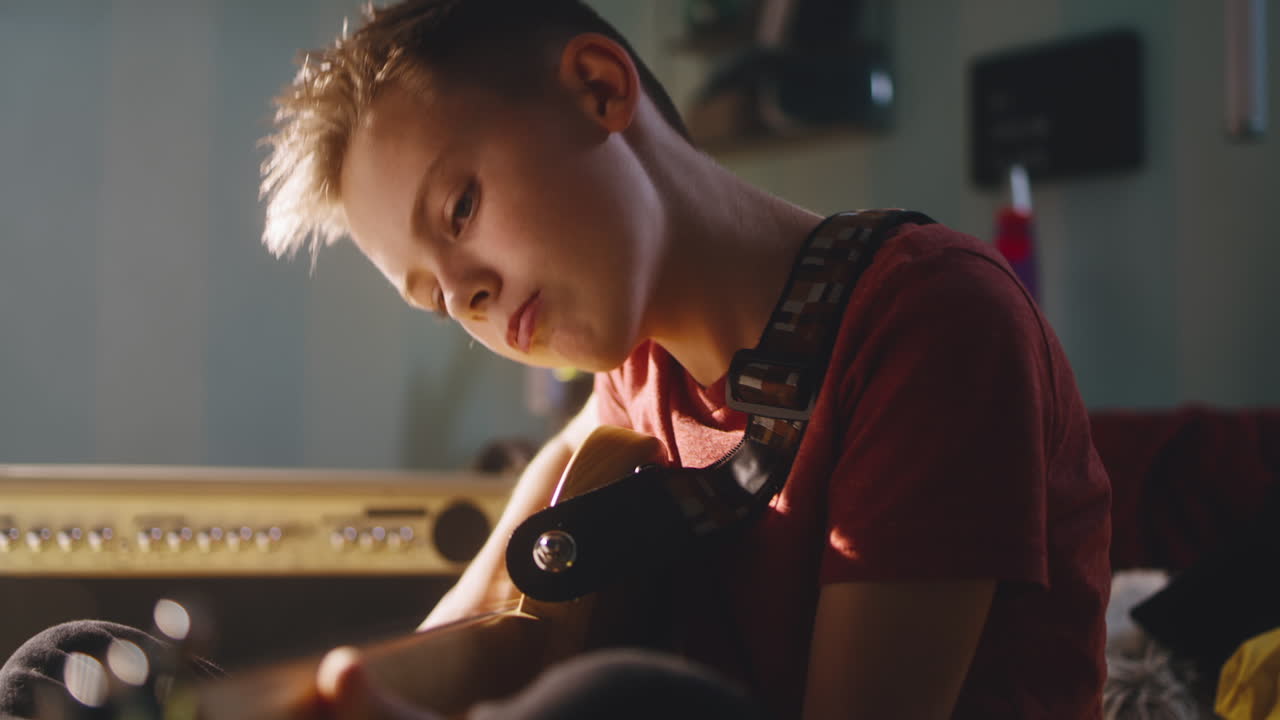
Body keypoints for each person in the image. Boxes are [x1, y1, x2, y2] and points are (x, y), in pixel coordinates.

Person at [0, 0, 1111, 718]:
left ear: (599, 89)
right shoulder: (624, 398)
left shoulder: (931, 320)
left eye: (462, 208)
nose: (468, 293)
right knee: (63, 659)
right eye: (434, 296)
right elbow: (462, 644)